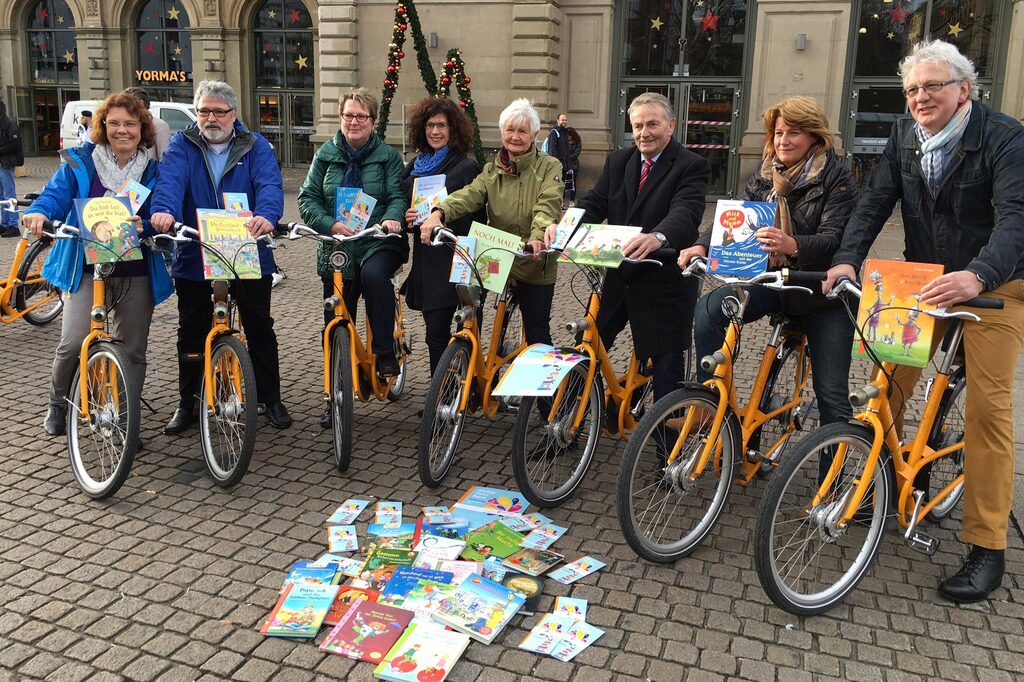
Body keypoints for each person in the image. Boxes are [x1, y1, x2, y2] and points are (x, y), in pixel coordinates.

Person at [823, 39, 1024, 604]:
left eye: (932, 86)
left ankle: (987, 545)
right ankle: (873, 480)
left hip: (998, 286)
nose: (919, 98)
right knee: (885, 381)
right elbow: (874, 201)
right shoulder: (904, 137)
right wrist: (847, 258)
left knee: (988, 409)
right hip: (925, 280)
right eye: (911, 89)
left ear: (964, 90)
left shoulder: (1006, 138)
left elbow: (1017, 219)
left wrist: (980, 274)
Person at [679, 96, 856, 433]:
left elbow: (835, 238)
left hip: (822, 292)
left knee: (832, 396)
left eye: (793, 133)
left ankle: (831, 481)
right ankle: (711, 403)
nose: (783, 141)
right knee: (708, 310)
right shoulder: (765, 174)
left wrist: (793, 244)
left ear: (815, 138)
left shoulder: (837, 178)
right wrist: (702, 243)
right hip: (775, 282)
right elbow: (735, 218)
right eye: (778, 133)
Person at [21, 91, 173, 436]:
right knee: (73, 341)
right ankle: (58, 402)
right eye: (115, 123)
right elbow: (55, 196)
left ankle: (123, 415)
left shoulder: (153, 171)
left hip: (134, 269)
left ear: (142, 129)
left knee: (132, 349)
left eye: (131, 124)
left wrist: (148, 223)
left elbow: (163, 207)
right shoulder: (80, 161)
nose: (123, 130)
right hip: (86, 268)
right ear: (103, 125)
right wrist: (39, 213)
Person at [546, 92, 709, 404]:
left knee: (666, 368)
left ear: (671, 125)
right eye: (637, 126)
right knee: (589, 343)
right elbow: (595, 202)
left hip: (663, 278)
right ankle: (565, 423)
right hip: (619, 275)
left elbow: (685, 213)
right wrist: (565, 227)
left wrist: (657, 237)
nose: (643, 133)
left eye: (652, 124)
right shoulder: (619, 160)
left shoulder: (691, 165)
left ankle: (667, 449)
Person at [150, 80, 291, 433]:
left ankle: (270, 399)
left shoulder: (255, 146)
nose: (211, 118)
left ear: (233, 114)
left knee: (259, 326)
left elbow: (269, 185)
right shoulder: (183, 144)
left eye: (218, 111)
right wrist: (164, 211)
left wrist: (268, 216)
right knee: (191, 330)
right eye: (204, 111)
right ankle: (188, 403)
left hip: (247, 249)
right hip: (196, 252)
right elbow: (169, 182)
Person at [297, 87, 407, 417]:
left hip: (377, 240)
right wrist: (330, 224)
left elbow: (398, 197)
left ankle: (385, 351)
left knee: (375, 277)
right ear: (341, 118)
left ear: (373, 122)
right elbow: (307, 198)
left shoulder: (387, 157)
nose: (354, 122)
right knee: (335, 318)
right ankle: (335, 394)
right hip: (339, 244)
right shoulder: (326, 154)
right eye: (348, 115)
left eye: (361, 116)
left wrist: (390, 219)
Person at [420, 98, 563, 349]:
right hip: (498, 253)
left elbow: (547, 203)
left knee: (538, 334)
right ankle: (469, 369)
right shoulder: (492, 169)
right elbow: (469, 194)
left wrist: (537, 236)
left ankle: (542, 388)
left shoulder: (549, 166)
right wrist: (438, 213)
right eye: (510, 130)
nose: (515, 137)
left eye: (522, 131)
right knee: (469, 310)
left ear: (534, 135)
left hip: (533, 258)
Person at [399, 97, 482, 375]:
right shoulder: (413, 166)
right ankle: (441, 396)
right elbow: (402, 206)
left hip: (457, 257)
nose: (435, 131)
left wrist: (441, 217)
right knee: (435, 332)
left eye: (442, 125)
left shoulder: (465, 167)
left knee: (467, 328)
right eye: (430, 125)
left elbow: (475, 212)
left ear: (453, 129)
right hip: (428, 261)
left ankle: (467, 388)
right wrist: (407, 218)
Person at [124, 87, 171, 161]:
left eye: (127, 105)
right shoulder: (123, 126)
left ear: (141, 104)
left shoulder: (159, 126)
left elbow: (165, 160)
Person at [0, 98, 22, 237]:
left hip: (6, 163)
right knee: (2, 195)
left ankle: (13, 224)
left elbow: (15, 144)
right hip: (2, 162)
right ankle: (4, 223)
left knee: (9, 194)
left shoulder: (10, 123)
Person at [544, 113, 571, 203]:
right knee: (556, 185)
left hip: (564, 165)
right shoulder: (554, 132)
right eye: (562, 120)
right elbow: (552, 149)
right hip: (558, 165)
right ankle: (556, 203)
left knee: (562, 185)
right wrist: (556, 163)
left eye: (565, 120)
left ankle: (560, 202)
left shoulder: (565, 133)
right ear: (558, 120)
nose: (564, 121)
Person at [565, 126, 581, 204]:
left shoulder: (577, 142)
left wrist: (567, 156)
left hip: (574, 165)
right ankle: (562, 200)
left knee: (573, 183)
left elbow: (576, 154)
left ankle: (572, 200)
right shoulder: (564, 142)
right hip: (565, 164)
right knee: (563, 183)